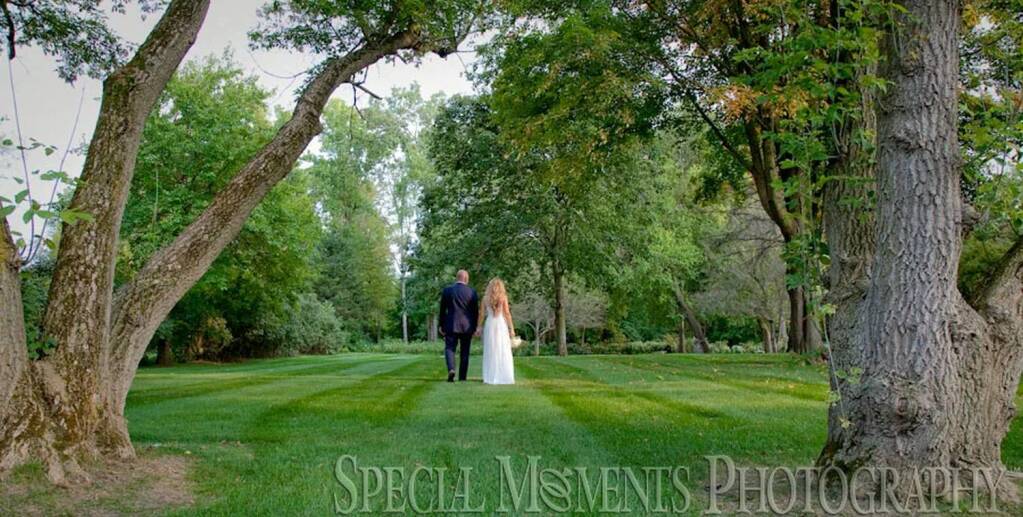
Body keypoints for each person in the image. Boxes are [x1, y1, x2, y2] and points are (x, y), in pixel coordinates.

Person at [438, 270, 479, 382]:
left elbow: (442, 310)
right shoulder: (472, 292)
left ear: (457, 278)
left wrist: (441, 324)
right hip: (467, 326)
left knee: (449, 348)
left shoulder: (447, 290)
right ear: (466, 279)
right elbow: (475, 312)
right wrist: (475, 327)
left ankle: (451, 369)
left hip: (451, 324)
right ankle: (462, 377)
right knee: (465, 351)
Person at [477, 278, 516, 385]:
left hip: (490, 323)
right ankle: (503, 375)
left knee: (491, 349)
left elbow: (481, 314)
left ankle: (490, 375)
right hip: (500, 324)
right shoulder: (503, 297)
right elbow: (507, 313)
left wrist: (479, 327)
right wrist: (511, 328)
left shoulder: (485, 298)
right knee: (502, 349)